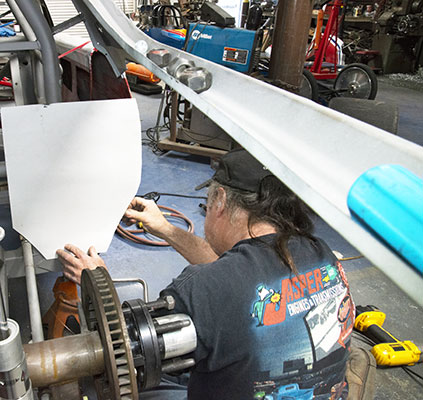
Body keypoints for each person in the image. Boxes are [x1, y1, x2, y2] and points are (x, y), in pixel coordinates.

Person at [57, 149, 355, 400]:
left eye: (208, 203)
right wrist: (166, 229)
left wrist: (99, 279)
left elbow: (125, 352)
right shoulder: (321, 252)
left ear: (221, 200)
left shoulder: (200, 290)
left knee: (144, 382)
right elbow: (237, 278)